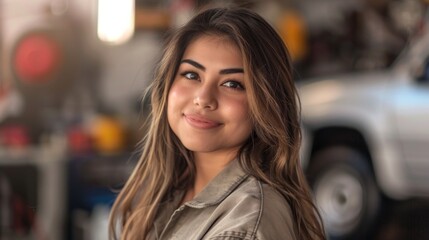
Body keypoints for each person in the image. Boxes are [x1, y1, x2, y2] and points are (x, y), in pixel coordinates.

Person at [109, 7, 326, 240]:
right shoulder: (171, 190)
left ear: (267, 104)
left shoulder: (245, 227)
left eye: (232, 84)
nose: (203, 98)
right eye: (192, 75)